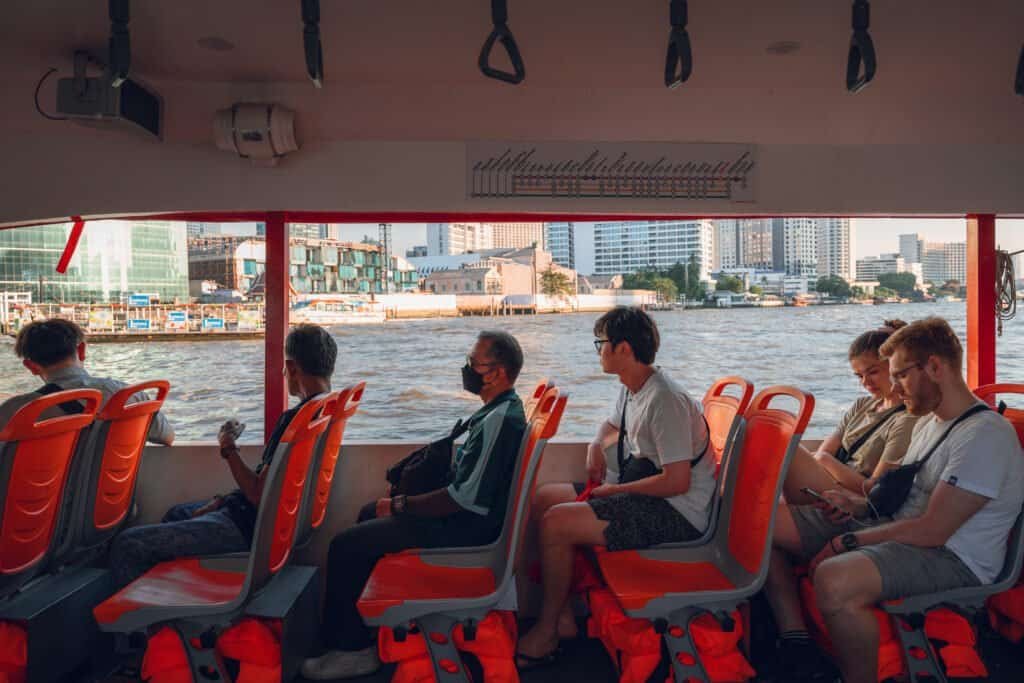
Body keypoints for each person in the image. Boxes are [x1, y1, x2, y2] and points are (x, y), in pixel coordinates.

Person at [763, 317, 1024, 683]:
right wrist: (856, 506)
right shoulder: (933, 422)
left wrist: (846, 540)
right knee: (761, 525)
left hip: (952, 557)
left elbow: (934, 530)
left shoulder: (983, 436)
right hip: (895, 528)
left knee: (834, 578)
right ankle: (795, 642)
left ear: (934, 367)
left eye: (900, 375)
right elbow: (903, 498)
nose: (896, 390)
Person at [301, 331, 527, 681]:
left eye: (473, 362)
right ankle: (359, 638)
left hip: (467, 532)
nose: (466, 368)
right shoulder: (497, 411)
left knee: (345, 546)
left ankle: (353, 653)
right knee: (365, 516)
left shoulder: (499, 420)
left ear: (497, 373)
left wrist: (400, 506)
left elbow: (463, 499)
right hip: (464, 520)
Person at [517, 306, 712, 669]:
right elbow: (611, 425)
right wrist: (595, 444)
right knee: (545, 498)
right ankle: (561, 616)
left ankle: (545, 631)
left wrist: (614, 493)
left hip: (678, 513)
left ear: (623, 349)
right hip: (646, 492)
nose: (598, 351)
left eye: (601, 343)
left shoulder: (664, 399)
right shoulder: (634, 387)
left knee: (557, 523)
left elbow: (677, 481)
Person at [107, 323, 336, 587]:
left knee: (128, 544)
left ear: (292, 367)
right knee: (177, 513)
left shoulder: (295, 420)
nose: (284, 374)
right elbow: (273, 487)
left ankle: (138, 626)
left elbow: (259, 494)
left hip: (248, 528)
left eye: (286, 369)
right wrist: (224, 500)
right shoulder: (327, 409)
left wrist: (228, 446)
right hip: (269, 521)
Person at [782, 320, 919, 504]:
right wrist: (824, 459)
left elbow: (874, 488)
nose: (865, 382)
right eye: (859, 376)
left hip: (850, 500)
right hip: (829, 484)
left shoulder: (906, 420)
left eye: (873, 372)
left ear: (894, 366)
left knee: (786, 448)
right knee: (780, 449)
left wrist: (825, 460)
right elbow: (827, 450)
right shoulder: (862, 405)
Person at [0, 318, 173, 444]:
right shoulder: (128, 395)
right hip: (111, 493)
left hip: (40, 494)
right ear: (81, 350)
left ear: (31, 366)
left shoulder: (14, 410)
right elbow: (167, 436)